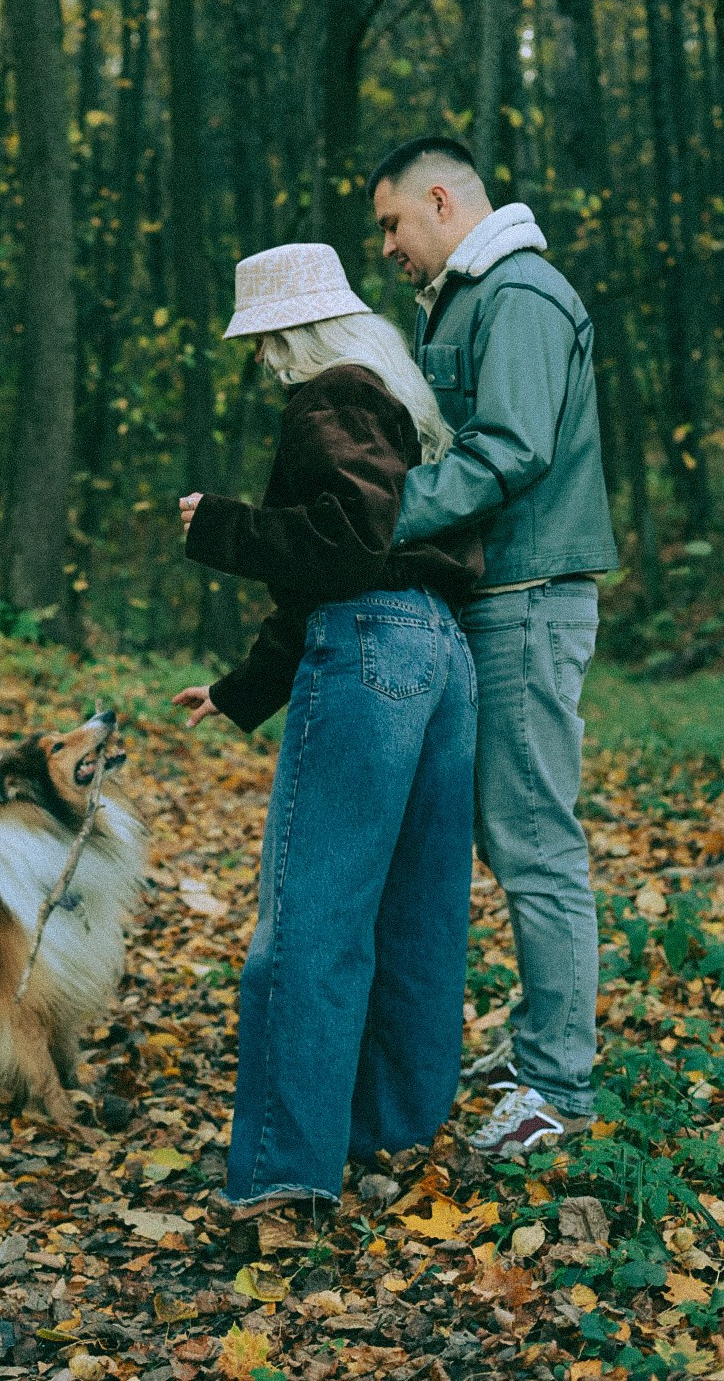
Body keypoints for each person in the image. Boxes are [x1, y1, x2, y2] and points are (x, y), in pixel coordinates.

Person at [171, 241, 482, 1218]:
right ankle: (392, 1143)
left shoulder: (332, 397)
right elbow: (353, 567)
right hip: (443, 656)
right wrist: (242, 691)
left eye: (267, 342)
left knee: (312, 921)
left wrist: (221, 525)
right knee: (419, 916)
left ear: (296, 334)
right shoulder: (400, 406)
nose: (265, 363)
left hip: (372, 654)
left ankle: (283, 1177)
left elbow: (344, 551)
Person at [368, 135, 618, 1158]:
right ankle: (537, 1048)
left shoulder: (518, 293)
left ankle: (557, 1086)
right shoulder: (466, 297)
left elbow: (512, 447)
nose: (387, 245)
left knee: (535, 843)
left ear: (440, 200)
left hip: (529, 599)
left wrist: (381, 514)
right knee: (509, 835)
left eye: (392, 222)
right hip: (498, 599)